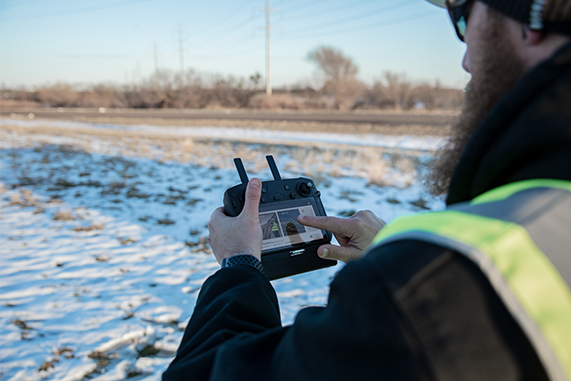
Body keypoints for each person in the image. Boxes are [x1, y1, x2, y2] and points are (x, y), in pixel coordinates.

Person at [163, 0, 571, 379]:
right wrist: (394, 247)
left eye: (462, 17)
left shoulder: (426, 292)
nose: (464, 61)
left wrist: (238, 267)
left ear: (529, 12)